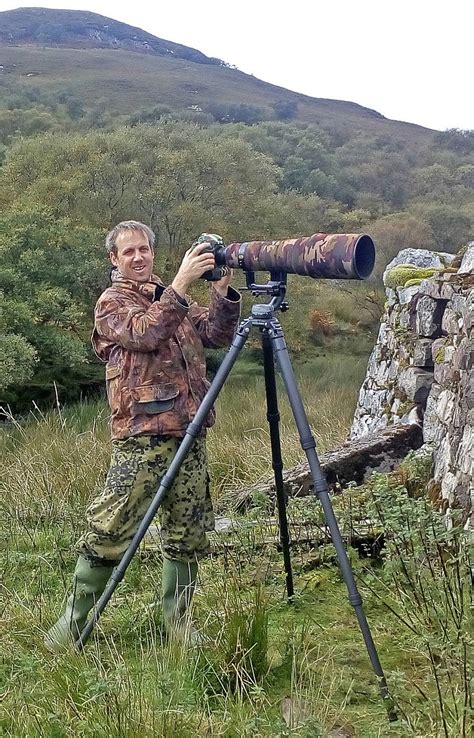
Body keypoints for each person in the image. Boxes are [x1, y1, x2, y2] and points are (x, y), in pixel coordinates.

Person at [45, 220, 241, 649]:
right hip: (141, 436)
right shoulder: (111, 303)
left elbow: (215, 334)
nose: (138, 257)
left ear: (153, 252)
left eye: (144, 250)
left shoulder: (167, 297)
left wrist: (222, 292)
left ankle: (177, 624)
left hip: (188, 432)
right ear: (115, 259)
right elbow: (145, 332)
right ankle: (72, 626)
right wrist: (182, 282)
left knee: (188, 531)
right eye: (128, 252)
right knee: (112, 527)